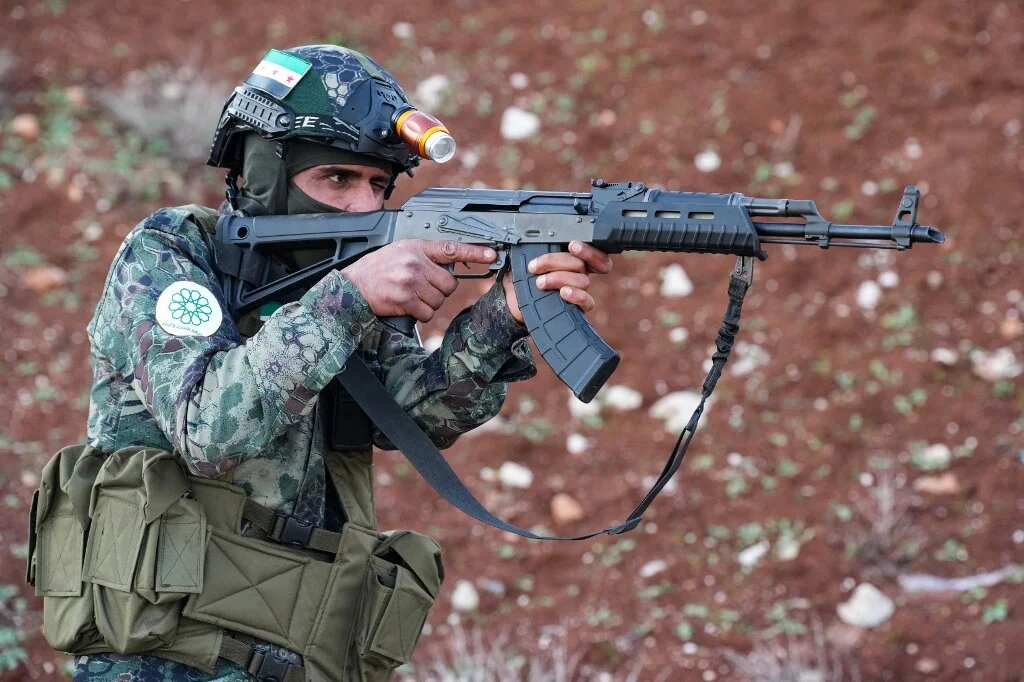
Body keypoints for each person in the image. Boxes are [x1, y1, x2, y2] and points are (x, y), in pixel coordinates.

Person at [55, 44, 612, 680]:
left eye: (377, 184)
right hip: (163, 655)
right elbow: (208, 428)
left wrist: (505, 313)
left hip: (305, 656)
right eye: (336, 179)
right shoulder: (172, 255)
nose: (363, 206)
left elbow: (419, 416)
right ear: (264, 174)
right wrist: (348, 299)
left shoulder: (346, 273)